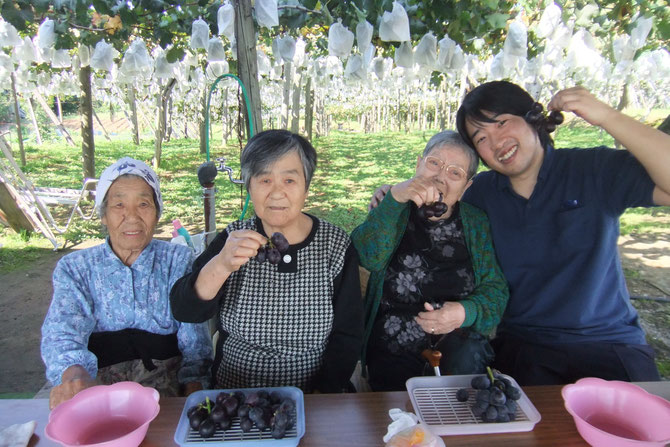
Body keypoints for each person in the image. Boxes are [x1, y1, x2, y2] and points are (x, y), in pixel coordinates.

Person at [450, 81, 669, 385]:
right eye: (481, 138)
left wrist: (607, 116)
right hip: (526, 347)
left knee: (642, 430)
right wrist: (393, 197)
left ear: (532, 117)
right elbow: (435, 212)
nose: (497, 142)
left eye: (502, 123)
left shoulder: (591, 170)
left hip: (608, 342)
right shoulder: (482, 195)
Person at [170, 130, 363, 393]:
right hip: (235, 396)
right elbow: (185, 310)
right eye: (264, 180)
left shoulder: (335, 246)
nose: (276, 193)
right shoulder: (233, 238)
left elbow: (347, 336)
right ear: (249, 185)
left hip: (313, 397)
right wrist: (221, 264)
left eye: (289, 180)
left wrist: (320, 396)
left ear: (306, 186)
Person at [41, 157, 213, 410]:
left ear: (157, 213)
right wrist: (73, 374)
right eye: (119, 205)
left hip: (165, 390)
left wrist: (194, 390)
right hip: (95, 389)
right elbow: (62, 331)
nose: (131, 216)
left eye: (143, 204)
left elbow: (194, 342)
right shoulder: (76, 268)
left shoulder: (177, 259)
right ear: (103, 215)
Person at [352, 131, 509, 391]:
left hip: (459, 342)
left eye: (455, 173)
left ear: (466, 187)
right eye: (434, 163)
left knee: (463, 383)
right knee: (398, 414)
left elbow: (496, 293)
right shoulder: (394, 208)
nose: (440, 177)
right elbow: (366, 257)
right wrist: (393, 201)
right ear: (418, 164)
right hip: (393, 341)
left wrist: (464, 312)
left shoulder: (476, 222)